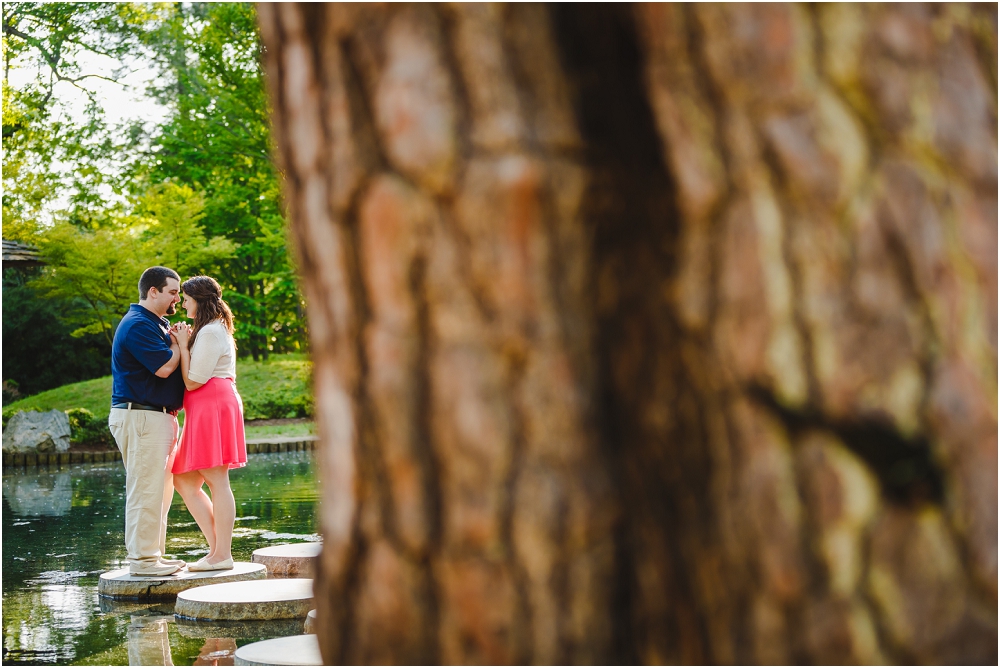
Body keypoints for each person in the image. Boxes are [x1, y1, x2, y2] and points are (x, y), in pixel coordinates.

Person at [109, 266, 186, 577]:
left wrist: (174, 337)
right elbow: (165, 368)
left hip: (155, 416)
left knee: (161, 490)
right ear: (153, 291)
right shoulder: (138, 324)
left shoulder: (155, 323)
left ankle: (154, 555)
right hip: (140, 415)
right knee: (145, 489)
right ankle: (142, 562)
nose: (177, 299)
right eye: (172, 292)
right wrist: (179, 343)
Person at [170, 275, 247, 571]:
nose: (182, 303)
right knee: (185, 480)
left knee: (217, 479)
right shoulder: (211, 329)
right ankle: (216, 550)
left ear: (198, 300)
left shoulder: (212, 332)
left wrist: (183, 345)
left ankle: (222, 554)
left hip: (211, 402)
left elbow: (192, 381)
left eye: (185, 298)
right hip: (206, 405)